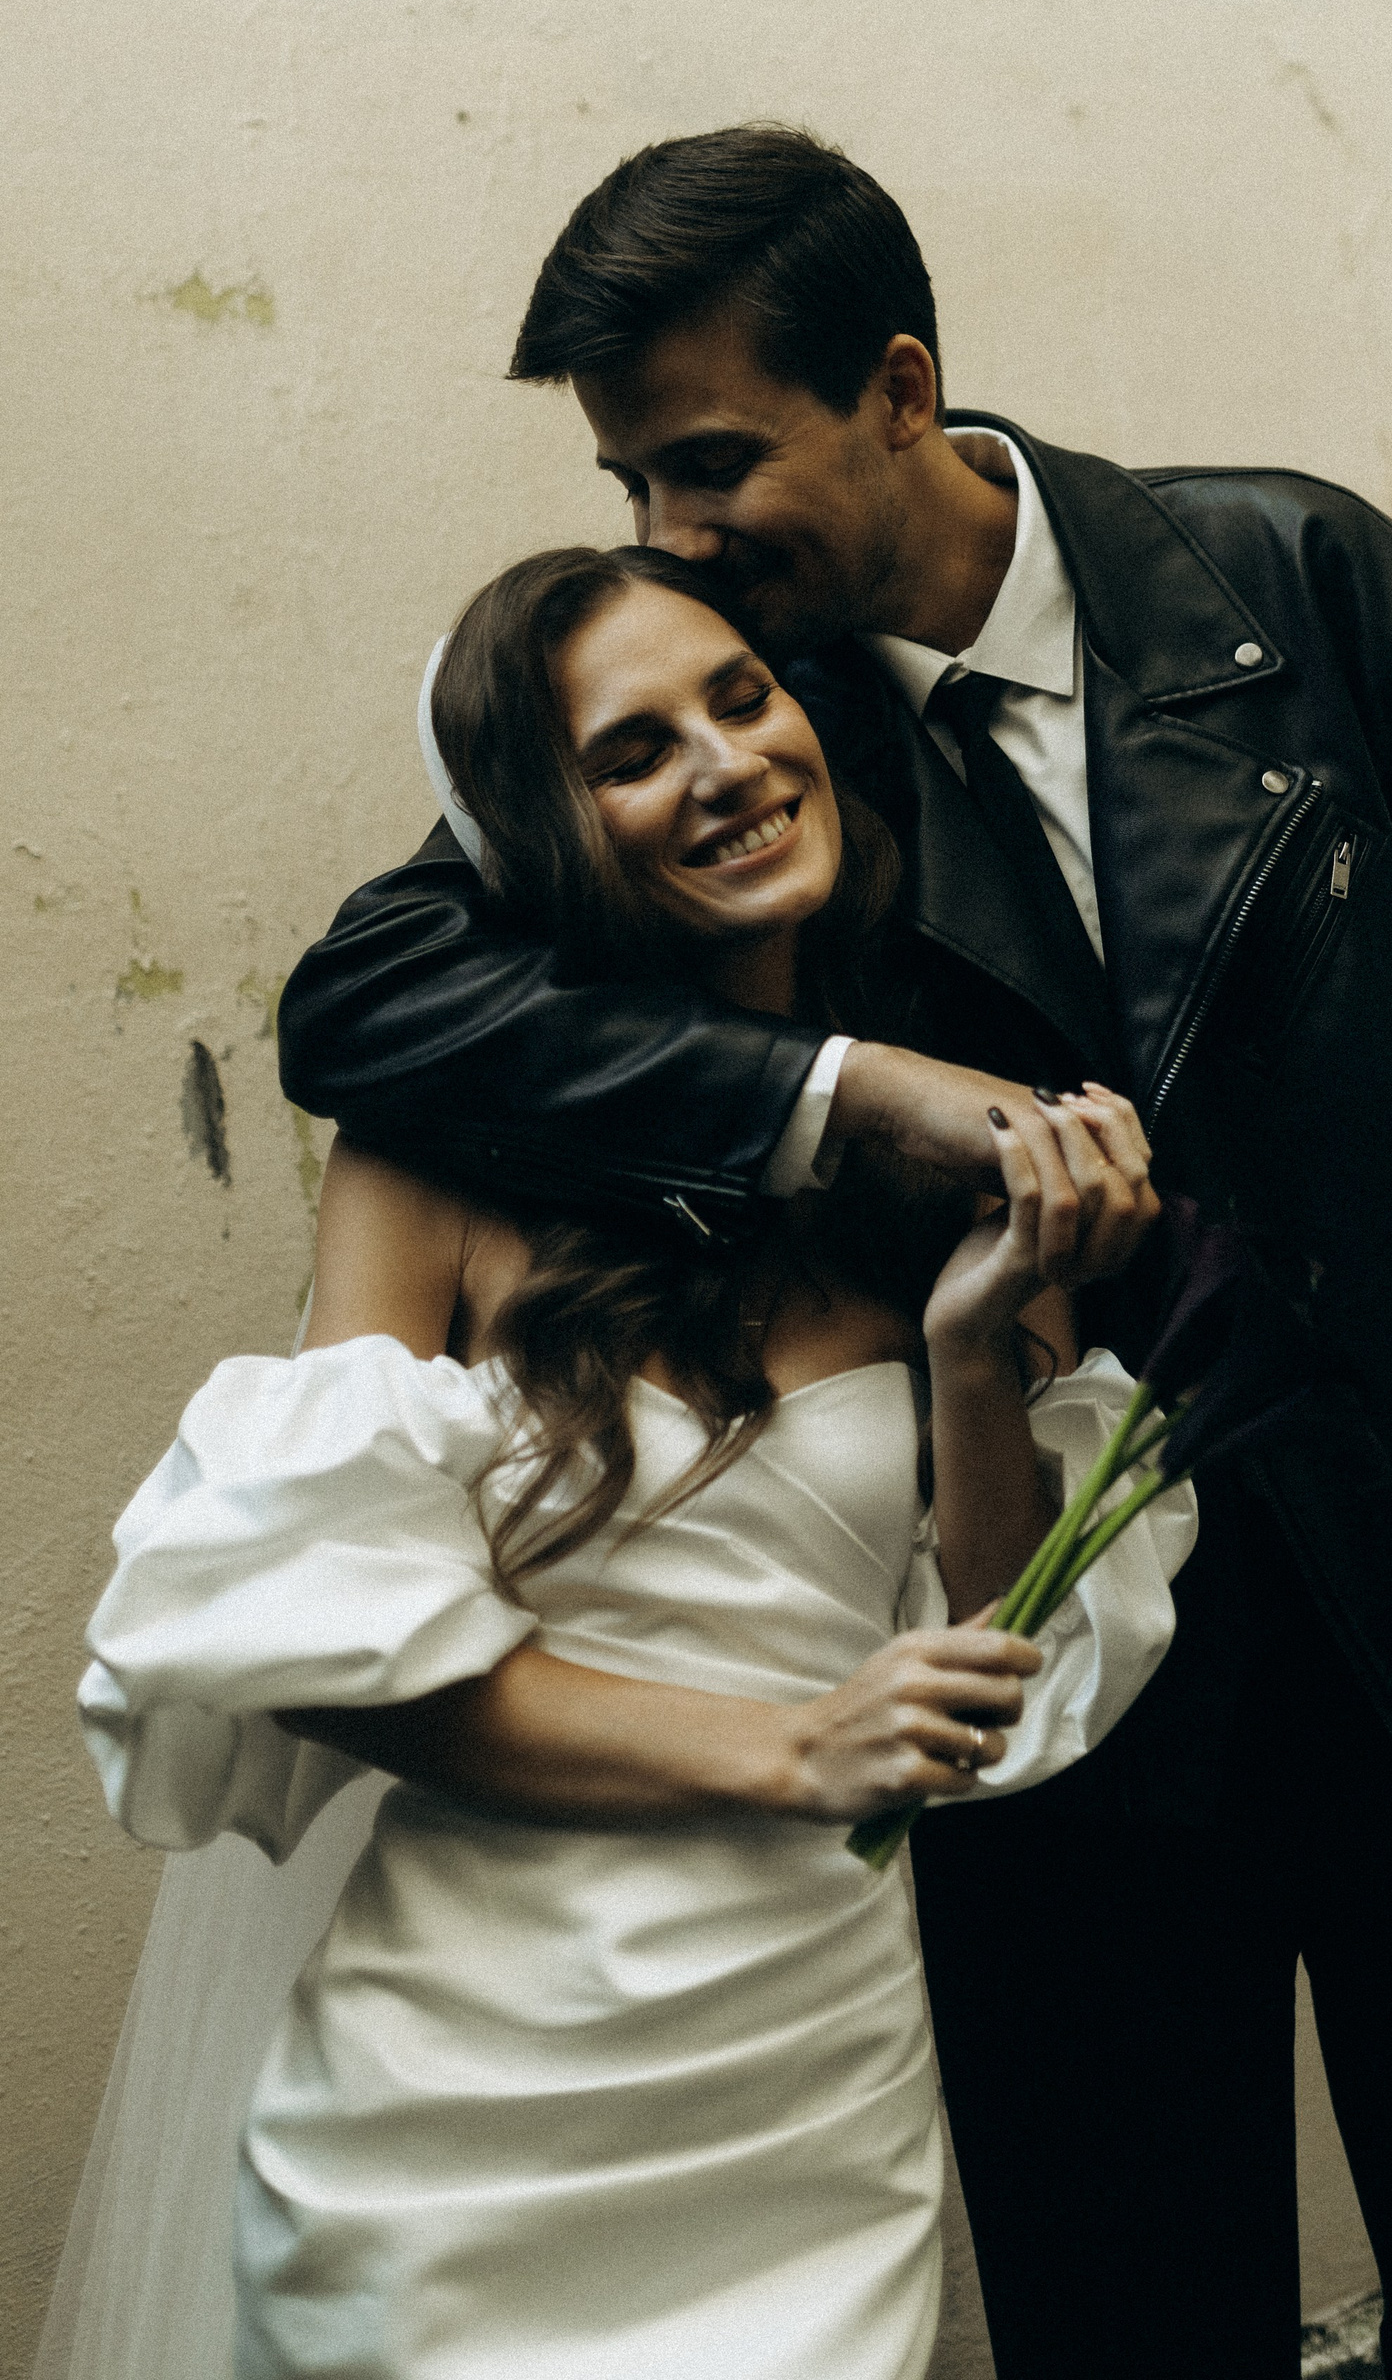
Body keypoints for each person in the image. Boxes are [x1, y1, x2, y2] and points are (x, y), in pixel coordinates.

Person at [277, 127, 1392, 2380]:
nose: (667, 534)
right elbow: (366, 999)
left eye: (709, 462)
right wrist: (858, 1094)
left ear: (901, 388)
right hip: (1073, 1718)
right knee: (1131, 2330)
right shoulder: (755, 716)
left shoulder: (1302, 581)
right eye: (631, 479)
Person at [79, 546, 1189, 2380]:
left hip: (809, 2077)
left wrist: (973, 1346)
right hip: (463, 2092)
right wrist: (791, 1749)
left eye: (742, 700)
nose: (727, 765)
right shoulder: (428, 1151)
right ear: (543, 829)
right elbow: (324, 1658)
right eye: (633, 751)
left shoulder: (957, 1143)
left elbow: (1003, 1658)